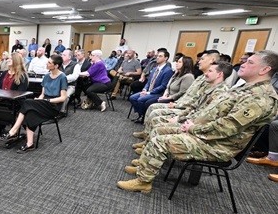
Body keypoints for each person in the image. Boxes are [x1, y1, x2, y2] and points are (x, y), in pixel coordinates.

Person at [118, 50, 278, 193]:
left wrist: (193, 128)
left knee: (160, 141)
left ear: (265, 70)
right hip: (205, 134)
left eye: (250, 62)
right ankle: (144, 167)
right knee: (160, 129)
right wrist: (191, 122)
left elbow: (227, 127)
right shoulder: (244, 89)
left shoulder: (261, 98)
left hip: (217, 145)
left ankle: (143, 182)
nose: (243, 63)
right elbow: (211, 111)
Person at [0, 54, 67, 153]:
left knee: (27, 102)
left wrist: (46, 101)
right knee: (30, 113)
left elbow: (63, 98)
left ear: (56, 66)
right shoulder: (47, 76)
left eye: (49, 63)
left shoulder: (62, 77)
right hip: (44, 103)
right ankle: (29, 144)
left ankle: (13, 130)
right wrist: (39, 100)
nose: (46, 64)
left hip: (54, 106)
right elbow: (42, 94)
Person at [129, 49, 173, 122]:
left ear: (166, 58)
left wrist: (148, 92)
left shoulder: (168, 71)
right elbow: (149, 82)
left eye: (160, 56)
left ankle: (142, 117)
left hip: (158, 93)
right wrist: (145, 89)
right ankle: (141, 114)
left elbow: (163, 86)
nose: (157, 57)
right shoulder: (155, 68)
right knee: (132, 97)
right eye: (157, 56)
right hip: (148, 91)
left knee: (140, 99)